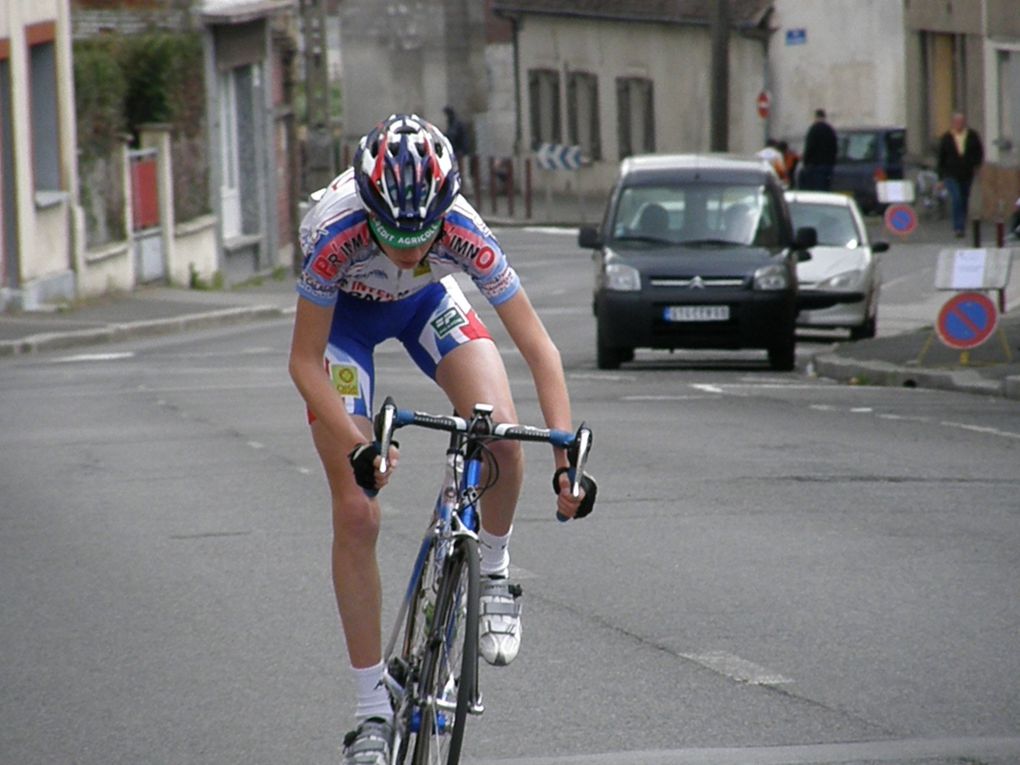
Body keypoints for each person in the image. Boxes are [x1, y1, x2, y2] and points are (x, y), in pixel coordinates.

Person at [288, 114, 595, 765]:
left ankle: (494, 571)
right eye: (392, 233)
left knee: (502, 436)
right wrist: (360, 442)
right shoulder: (332, 232)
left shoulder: (462, 228)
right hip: (344, 322)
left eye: (419, 234)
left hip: (428, 304)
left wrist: (565, 459)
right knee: (357, 506)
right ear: (368, 210)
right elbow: (304, 364)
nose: (405, 248)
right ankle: (371, 710)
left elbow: (540, 348)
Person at [937, 112, 984, 238]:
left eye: (961, 122)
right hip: (950, 174)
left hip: (967, 173)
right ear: (953, 123)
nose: (959, 124)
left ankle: (962, 225)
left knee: (964, 200)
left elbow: (979, 152)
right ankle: (958, 227)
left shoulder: (972, 136)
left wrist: (976, 165)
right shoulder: (947, 137)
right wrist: (940, 178)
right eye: (957, 122)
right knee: (956, 198)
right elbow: (941, 158)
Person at [800, 108, 838, 191]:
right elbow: (835, 148)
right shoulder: (830, 130)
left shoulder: (813, 129)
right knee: (825, 188)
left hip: (815, 165)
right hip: (827, 165)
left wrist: (806, 162)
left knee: (815, 189)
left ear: (816, 117)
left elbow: (809, 147)